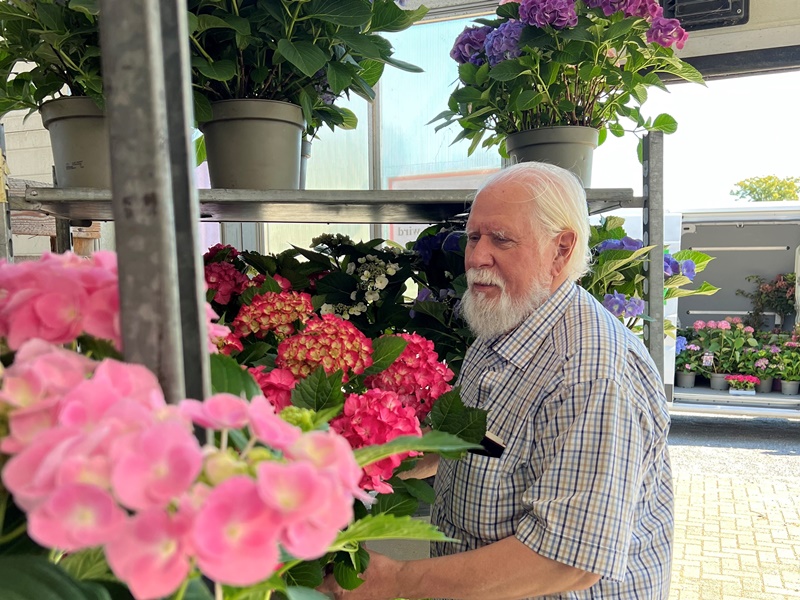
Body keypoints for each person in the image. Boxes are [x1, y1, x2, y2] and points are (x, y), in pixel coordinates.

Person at [321, 162, 673, 599]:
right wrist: (385, 458)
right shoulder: (507, 320)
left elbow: (567, 560)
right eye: (473, 237)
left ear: (561, 249)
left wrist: (396, 581)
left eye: (501, 239)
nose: (476, 257)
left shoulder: (591, 373)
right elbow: (487, 442)